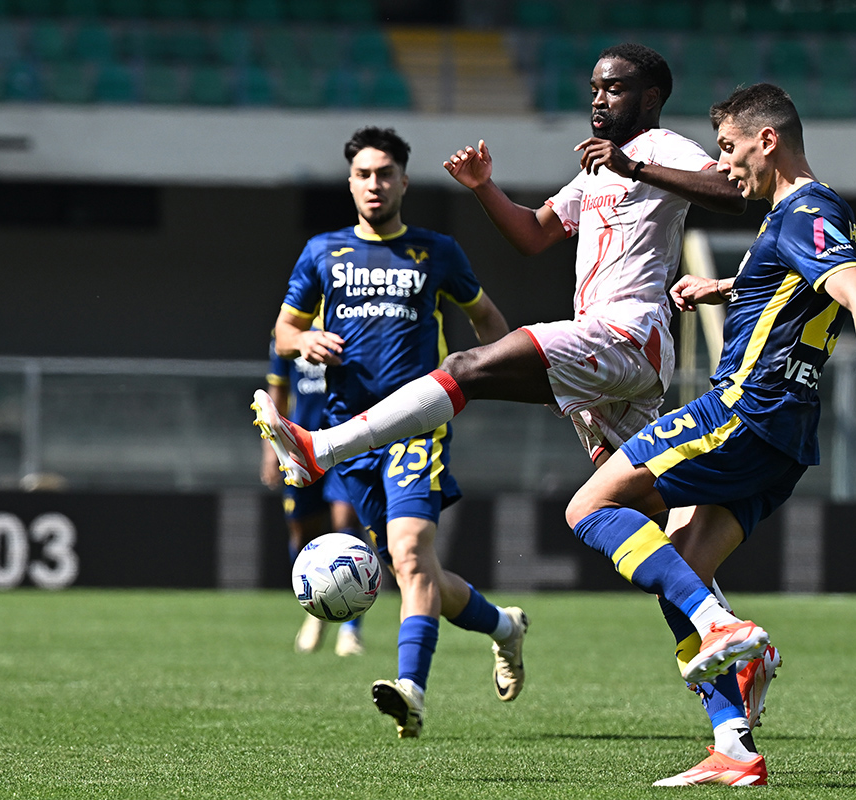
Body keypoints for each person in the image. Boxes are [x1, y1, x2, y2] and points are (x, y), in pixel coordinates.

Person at [251, 42, 768, 761]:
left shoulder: (660, 149)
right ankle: (732, 719)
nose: (598, 100)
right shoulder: (596, 167)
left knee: (466, 365)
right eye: (594, 88)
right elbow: (533, 235)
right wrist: (484, 189)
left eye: (614, 89)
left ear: (649, 98)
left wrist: (636, 167)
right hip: (608, 379)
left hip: (625, 338)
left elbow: (738, 193)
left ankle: (321, 446)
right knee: (665, 546)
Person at [563, 83, 856, 787]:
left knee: (588, 507)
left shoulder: (805, 209)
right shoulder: (809, 216)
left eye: (730, 147)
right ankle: (734, 745)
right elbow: (799, 286)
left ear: (767, 141)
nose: (725, 164)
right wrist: (722, 289)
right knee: (682, 569)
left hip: (742, 410)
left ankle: (724, 629)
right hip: (786, 437)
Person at [252, 126, 523, 740]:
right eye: (364, 175)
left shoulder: (436, 252)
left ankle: (413, 691)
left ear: (403, 180)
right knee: (415, 574)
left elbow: (488, 322)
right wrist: (306, 340)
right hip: (348, 434)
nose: (375, 184)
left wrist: (496, 377)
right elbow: (284, 332)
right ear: (350, 183)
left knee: (406, 553)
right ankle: (505, 627)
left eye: (386, 174)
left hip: (416, 427)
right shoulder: (323, 252)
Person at [261, 331, 368, 657]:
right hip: (299, 447)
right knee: (302, 534)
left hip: (345, 443)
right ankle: (317, 609)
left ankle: (351, 630)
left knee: (346, 523)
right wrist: (270, 451)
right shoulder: (288, 334)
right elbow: (277, 389)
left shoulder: (349, 324)